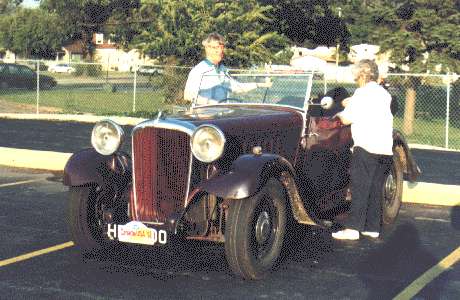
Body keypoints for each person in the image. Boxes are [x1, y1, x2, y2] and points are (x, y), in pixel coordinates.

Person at [332, 59, 394, 240]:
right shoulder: (384, 94)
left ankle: (352, 229)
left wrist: (338, 113)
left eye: (356, 76)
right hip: (384, 148)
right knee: (375, 189)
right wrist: (349, 102)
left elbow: (346, 119)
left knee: (360, 188)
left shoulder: (361, 93)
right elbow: (366, 106)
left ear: (362, 75)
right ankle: (372, 228)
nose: (355, 79)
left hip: (366, 146)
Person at [184, 32, 271, 105]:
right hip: (204, 119)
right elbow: (188, 95)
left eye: (222, 48)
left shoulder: (222, 70)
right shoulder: (199, 70)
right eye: (216, 48)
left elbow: (237, 87)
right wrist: (212, 103)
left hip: (221, 115)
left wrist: (260, 84)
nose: (220, 51)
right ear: (207, 48)